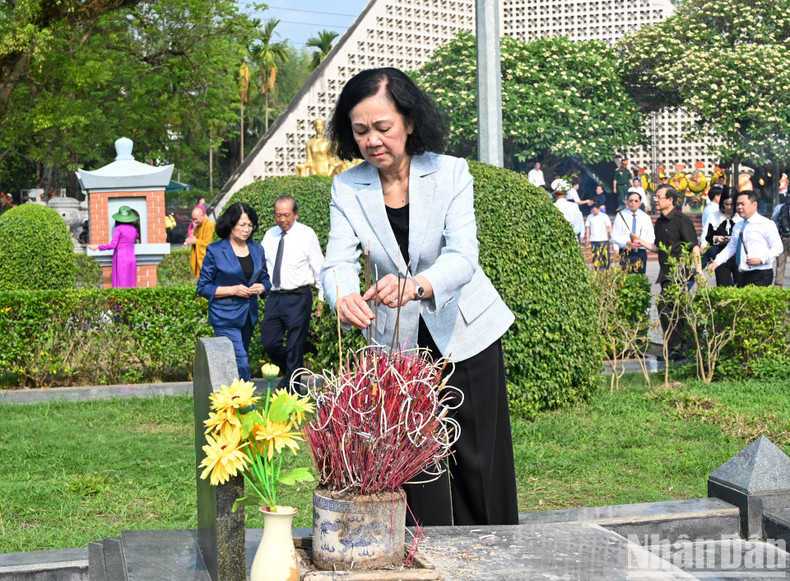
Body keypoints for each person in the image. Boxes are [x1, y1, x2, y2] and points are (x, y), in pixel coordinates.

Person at [322, 67, 518, 527]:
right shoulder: (347, 187)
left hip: (465, 329)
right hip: (396, 342)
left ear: (409, 123)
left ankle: (491, 558)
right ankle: (422, 555)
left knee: (477, 460)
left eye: (383, 127)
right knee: (413, 458)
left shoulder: (451, 172)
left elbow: (463, 255)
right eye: (361, 130)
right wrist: (343, 295)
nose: (373, 140)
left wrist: (417, 286)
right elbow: (336, 262)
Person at [197, 202, 270, 381]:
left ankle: (230, 401)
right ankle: (246, 405)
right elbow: (203, 287)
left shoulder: (257, 248)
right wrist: (233, 290)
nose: (247, 230)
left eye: (250, 225)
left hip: (248, 315)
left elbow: (265, 279)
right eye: (242, 225)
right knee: (241, 361)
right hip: (225, 316)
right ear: (231, 224)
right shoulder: (215, 250)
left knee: (236, 360)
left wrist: (262, 288)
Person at [260, 196, 324, 389]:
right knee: (269, 342)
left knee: (295, 345)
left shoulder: (307, 234)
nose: (282, 220)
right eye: (278, 215)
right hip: (275, 297)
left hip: (299, 297)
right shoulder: (270, 235)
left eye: (286, 215)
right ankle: (291, 373)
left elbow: (319, 267)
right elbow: (262, 264)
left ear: (296, 214)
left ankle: (292, 392)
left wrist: (321, 299)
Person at [632, 185, 701, 360]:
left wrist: (698, 271)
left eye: (659, 197)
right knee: (670, 310)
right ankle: (677, 348)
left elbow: (694, 247)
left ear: (670, 200)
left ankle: (678, 348)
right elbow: (658, 248)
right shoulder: (660, 222)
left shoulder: (681, 220)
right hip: (665, 273)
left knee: (668, 308)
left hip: (679, 273)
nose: (655, 200)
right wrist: (641, 242)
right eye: (655, 197)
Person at [710, 190, 783, 287]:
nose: (739, 207)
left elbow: (778, 247)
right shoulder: (738, 226)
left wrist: (762, 259)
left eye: (742, 204)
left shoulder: (766, 224)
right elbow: (731, 247)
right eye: (737, 204)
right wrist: (717, 261)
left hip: (761, 273)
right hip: (742, 273)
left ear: (754, 205)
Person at [87, 205, 139, 288]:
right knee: (131, 282)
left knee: (121, 283)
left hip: (121, 257)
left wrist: (97, 247)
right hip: (131, 257)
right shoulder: (133, 229)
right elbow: (136, 236)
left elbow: (113, 245)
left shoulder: (118, 229)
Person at [611, 191, 654, 274]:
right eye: (631, 201)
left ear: (640, 203)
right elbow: (614, 236)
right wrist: (627, 243)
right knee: (626, 279)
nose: (633, 203)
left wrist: (641, 242)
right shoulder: (620, 215)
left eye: (636, 201)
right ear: (627, 202)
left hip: (640, 252)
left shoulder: (645, 217)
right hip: (625, 252)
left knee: (640, 279)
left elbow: (651, 237)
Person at [705, 190, 741, 287]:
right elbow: (708, 236)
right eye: (726, 204)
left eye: (732, 204)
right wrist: (716, 238)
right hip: (721, 253)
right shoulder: (715, 216)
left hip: (739, 255)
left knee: (741, 287)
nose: (729, 207)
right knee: (722, 286)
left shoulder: (740, 216)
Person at [185, 204, 215, 279]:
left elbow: (210, 245)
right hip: (200, 262)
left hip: (207, 263)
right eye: (193, 219)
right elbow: (196, 240)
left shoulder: (210, 225)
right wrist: (193, 240)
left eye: (196, 219)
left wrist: (196, 241)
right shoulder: (198, 227)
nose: (195, 221)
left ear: (202, 215)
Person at [585, 201, 612, 270]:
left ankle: (606, 268)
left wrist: (610, 234)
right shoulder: (589, 217)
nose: (593, 212)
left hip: (603, 239)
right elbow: (588, 227)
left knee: (605, 254)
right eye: (592, 211)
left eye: (595, 210)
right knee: (595, 255)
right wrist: (588, 238)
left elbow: (609, 226)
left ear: (598, 209)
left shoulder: (604, 216)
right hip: (594, 239)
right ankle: (596, 267)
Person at [772, 199, 790, 287]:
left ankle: (778, 285)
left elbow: (773, 219)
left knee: (781, 263)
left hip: (784, 237)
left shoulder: (780, 207)